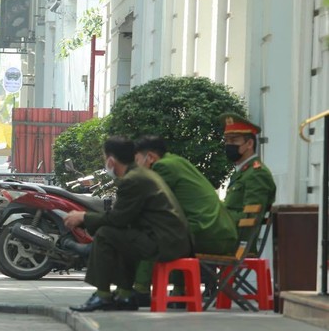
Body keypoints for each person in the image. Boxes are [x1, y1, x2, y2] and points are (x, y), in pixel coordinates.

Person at [64, 136, 192, 312]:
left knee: (106, 234)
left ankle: (103, 295)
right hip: (171, 240)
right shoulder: (141, 175)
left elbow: (118, 218)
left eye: (104, 158)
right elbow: (124, 219)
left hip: (166, 243)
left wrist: (83, 217)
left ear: (110, 160)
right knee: (120, 234)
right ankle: (125, 294)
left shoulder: (133, 180)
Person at [133, 135, 238, 301]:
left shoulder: (163, 167)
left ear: (150, 157)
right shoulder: (176, 161)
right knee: (172, 232)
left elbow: (153, 206)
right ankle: (179, 292)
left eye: (137, 161)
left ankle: (140, 290)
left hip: (207, 234)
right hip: (218, 233)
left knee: (152, 235)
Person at [221, 113, 276, 229]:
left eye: (234, 140)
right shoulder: (242, 172)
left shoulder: (257, 174)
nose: (228, 145)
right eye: (226, 140)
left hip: (235, 242)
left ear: (249, 144)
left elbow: (250, 218)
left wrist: (218, 218)